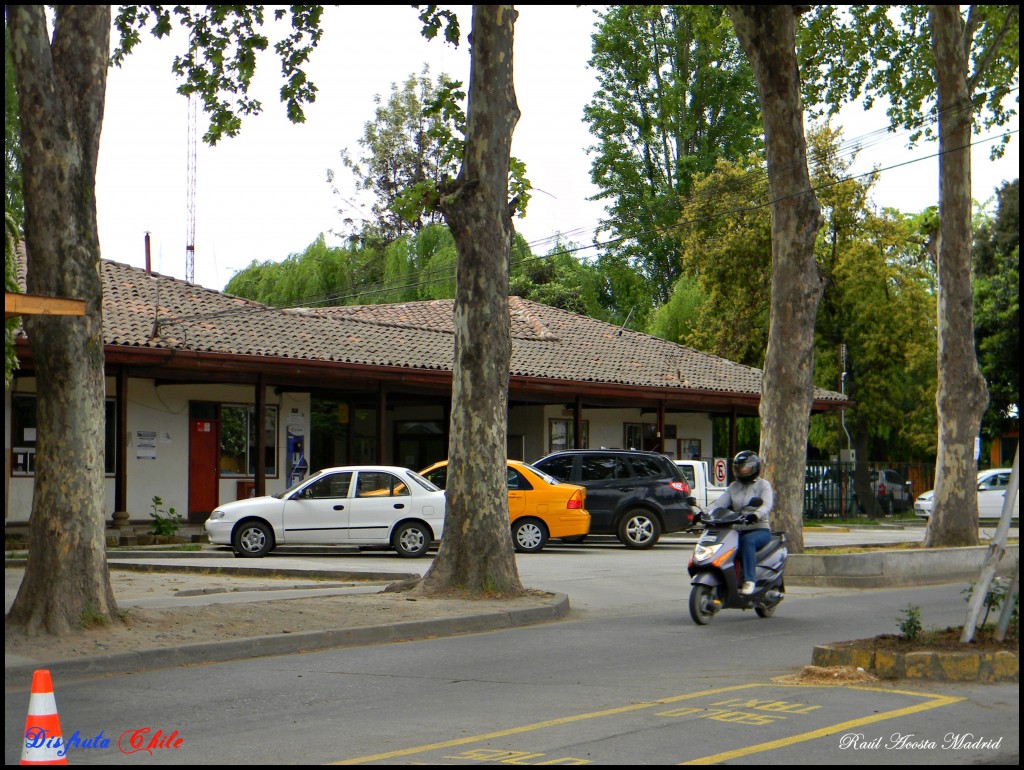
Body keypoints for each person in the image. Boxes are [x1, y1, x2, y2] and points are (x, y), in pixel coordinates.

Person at [707, 450, 773, 595]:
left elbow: (766, 505)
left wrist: (756, 515)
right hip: (737, 529)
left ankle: (749, 580)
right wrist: (703, 513)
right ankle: (726, 579)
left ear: (754, 467)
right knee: (723, 544)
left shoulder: (763, 485)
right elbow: (719, 503)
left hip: (759, 529)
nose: (742, 470)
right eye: (739, 467)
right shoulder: (733, 487)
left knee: (747, 541)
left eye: (745, 467)